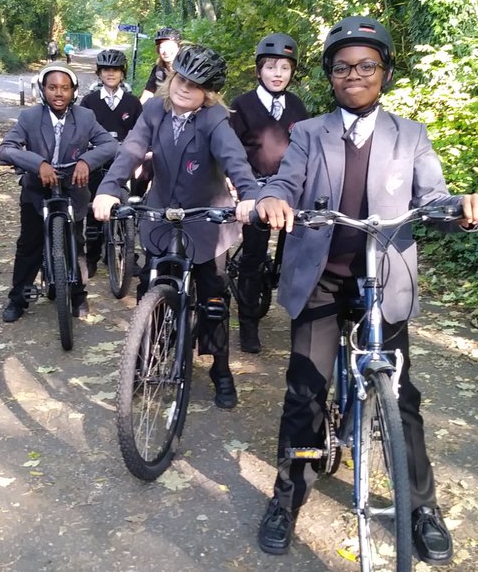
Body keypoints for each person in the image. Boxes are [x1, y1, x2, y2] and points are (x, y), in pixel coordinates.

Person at [245, 16, 478, 562]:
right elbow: (286, 180)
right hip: (321, 276)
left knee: (401, 397)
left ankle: (421, 507)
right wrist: (272, 199)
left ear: (385, 73)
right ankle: (288, 496)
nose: (353, 75)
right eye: (342, 67)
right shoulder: (309, 133)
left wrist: (463, 208)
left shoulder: (410, 135)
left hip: (383, 279)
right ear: (329, 75)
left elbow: (432, 200)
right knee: (305, 390)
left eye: (366, 66)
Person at [93, 45, 257, 409]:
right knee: (150, 284)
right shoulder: (154, 109)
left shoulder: (215, 119)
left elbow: (235, 160)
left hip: (206, 218)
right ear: (172, 78)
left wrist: (249, 196)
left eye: (196, 85)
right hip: (162, 214)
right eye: (182, 79)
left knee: (213, 295)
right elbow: (131, 150)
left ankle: (220, 369)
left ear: (209, 92)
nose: (185, 88)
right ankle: (144, 354)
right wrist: (108, 189)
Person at [0, 63, 117, 322]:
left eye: (65, 88)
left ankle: (78, 295)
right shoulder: (29, 117)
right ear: (43, 90)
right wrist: (37, 164)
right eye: (52, 87)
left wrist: (87, 161)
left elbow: (109, 144)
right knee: (29, 244)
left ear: (74, 91)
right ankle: (18, 298)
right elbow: (7, 148)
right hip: (36, 190)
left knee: (75, 242)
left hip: (72, 188)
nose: (59, 93)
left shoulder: (85, 116)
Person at [228, 32, 309, 353]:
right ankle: (248, 323)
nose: (278, 74)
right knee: (253, 255)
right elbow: (230, 150)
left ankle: (291, 296)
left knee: (298, 249)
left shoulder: (296, 106)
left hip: (291, 189)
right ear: (259, 70)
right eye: (271, 67)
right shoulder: (241, 106)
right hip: (255, 188)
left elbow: (308, 149)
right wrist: (235, 182)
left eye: (285, 68)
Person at [80, 48, 144, 275]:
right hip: (96, 161)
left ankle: (126, 254)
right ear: (99, 73)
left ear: (122, 73)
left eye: (115, 70)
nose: (110, 73)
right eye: (106, 69)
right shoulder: (89, 102)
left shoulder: (132, 103)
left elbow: (141, 132)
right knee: (93, 210)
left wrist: (141, 157)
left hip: (124, 161)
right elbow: (80, 132)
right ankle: (91, 257)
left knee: (127, 209)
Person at [140, 27, 182, 104]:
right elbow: (148, 94)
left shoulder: (186, 69)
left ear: (178, 47)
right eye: (162, 47)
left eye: (169, 46)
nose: (165, 51)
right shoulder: (158, 70)